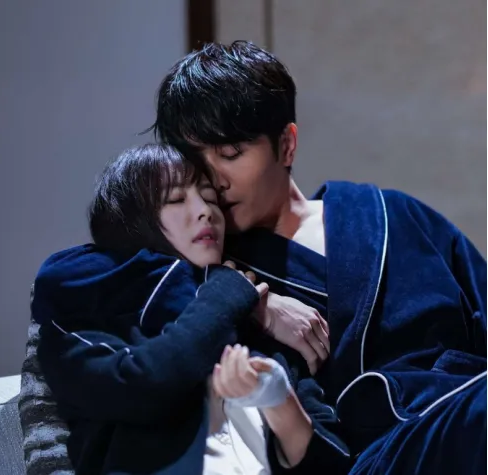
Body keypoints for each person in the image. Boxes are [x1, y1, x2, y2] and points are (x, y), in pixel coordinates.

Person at [146, 40, 487, 474]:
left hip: (464, 415)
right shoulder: (205, 277)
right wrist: (250, 303)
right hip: (371, 457)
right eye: (194, 161)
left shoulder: (394, 215)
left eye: (230, 154)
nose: (214, 180)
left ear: (287, 145)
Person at [30, 143, 340, 475]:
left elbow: (330, 460)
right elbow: (142, 386)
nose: (206, 211)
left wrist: (276, 398)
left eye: (211, 199)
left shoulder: (259, 321)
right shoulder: (85, 313)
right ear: (131, 220)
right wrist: (224, 292)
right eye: (177, 199)